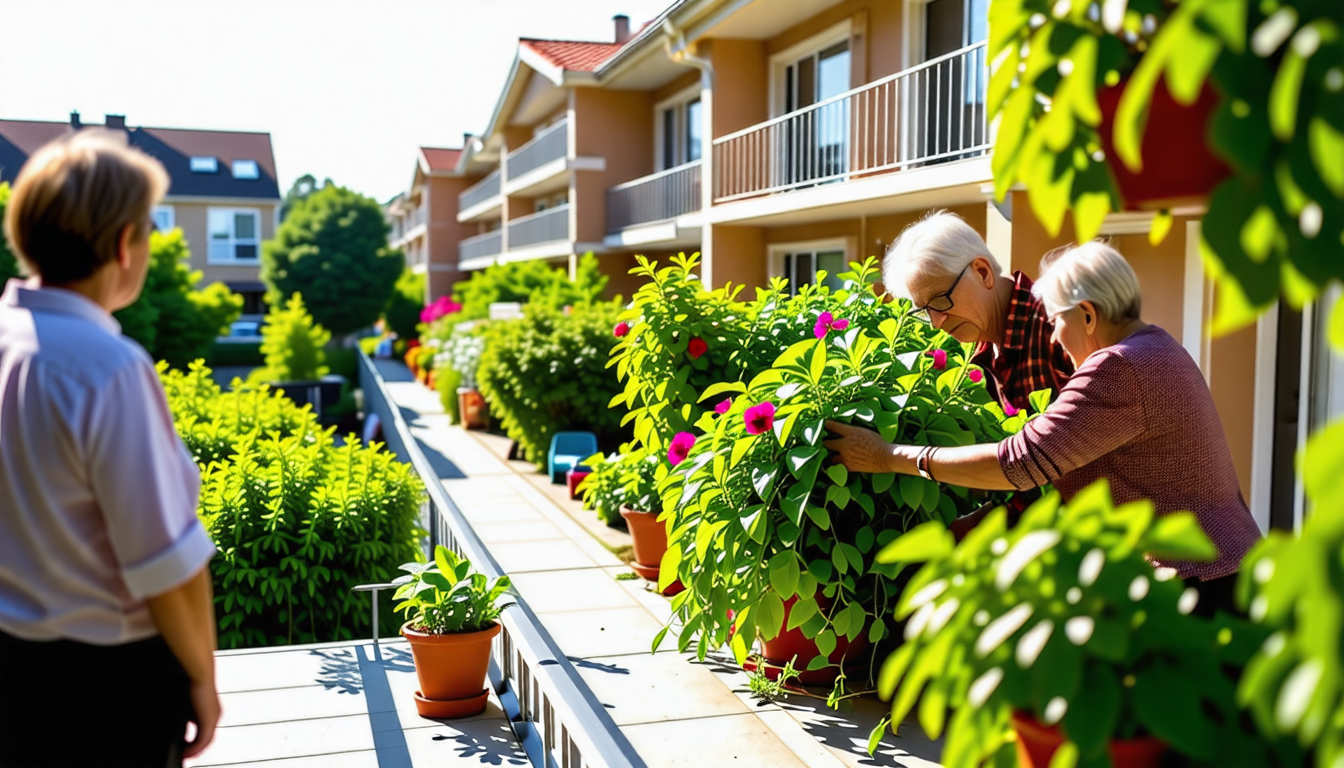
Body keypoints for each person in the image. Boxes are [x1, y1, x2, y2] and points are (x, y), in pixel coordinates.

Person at [827, 241, 1262, 614]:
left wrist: (888, 456)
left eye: (1055, 321)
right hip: (1220, 571)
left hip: (1196, 584)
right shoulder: (1157, 348)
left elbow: (1021, 462)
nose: (1052, 338)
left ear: (1087, 316)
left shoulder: (1118, 367)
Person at [0, 130, 220, 766]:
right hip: (101, 691)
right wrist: (202, 679)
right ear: (125, 243)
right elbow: (167, 565)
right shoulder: (108, 367)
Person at [885, 211, 1074, 534]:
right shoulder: (981, 354)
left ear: (983, 272)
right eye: (925, 310)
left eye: (941, 301)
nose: (936, 323)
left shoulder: (1058, 326)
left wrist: (884, 456)